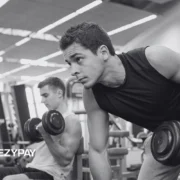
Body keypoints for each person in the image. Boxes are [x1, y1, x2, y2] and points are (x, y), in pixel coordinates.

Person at [59, 22, 180, 180]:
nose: (73, 71)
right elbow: (97, 150)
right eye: (70, 64)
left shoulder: (154, 58)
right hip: (166, 139)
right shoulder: (92, 95)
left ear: (103, 52)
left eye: (79, 59)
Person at [1, 77, 82, 180]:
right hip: (32, 167)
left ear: (59, 93)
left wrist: (45, 134)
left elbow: (65, 161)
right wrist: (25, 152)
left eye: (45, 96)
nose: (42, 100)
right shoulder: (48, 120)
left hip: (50, 174)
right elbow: (41, 148)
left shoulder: (71, 120)